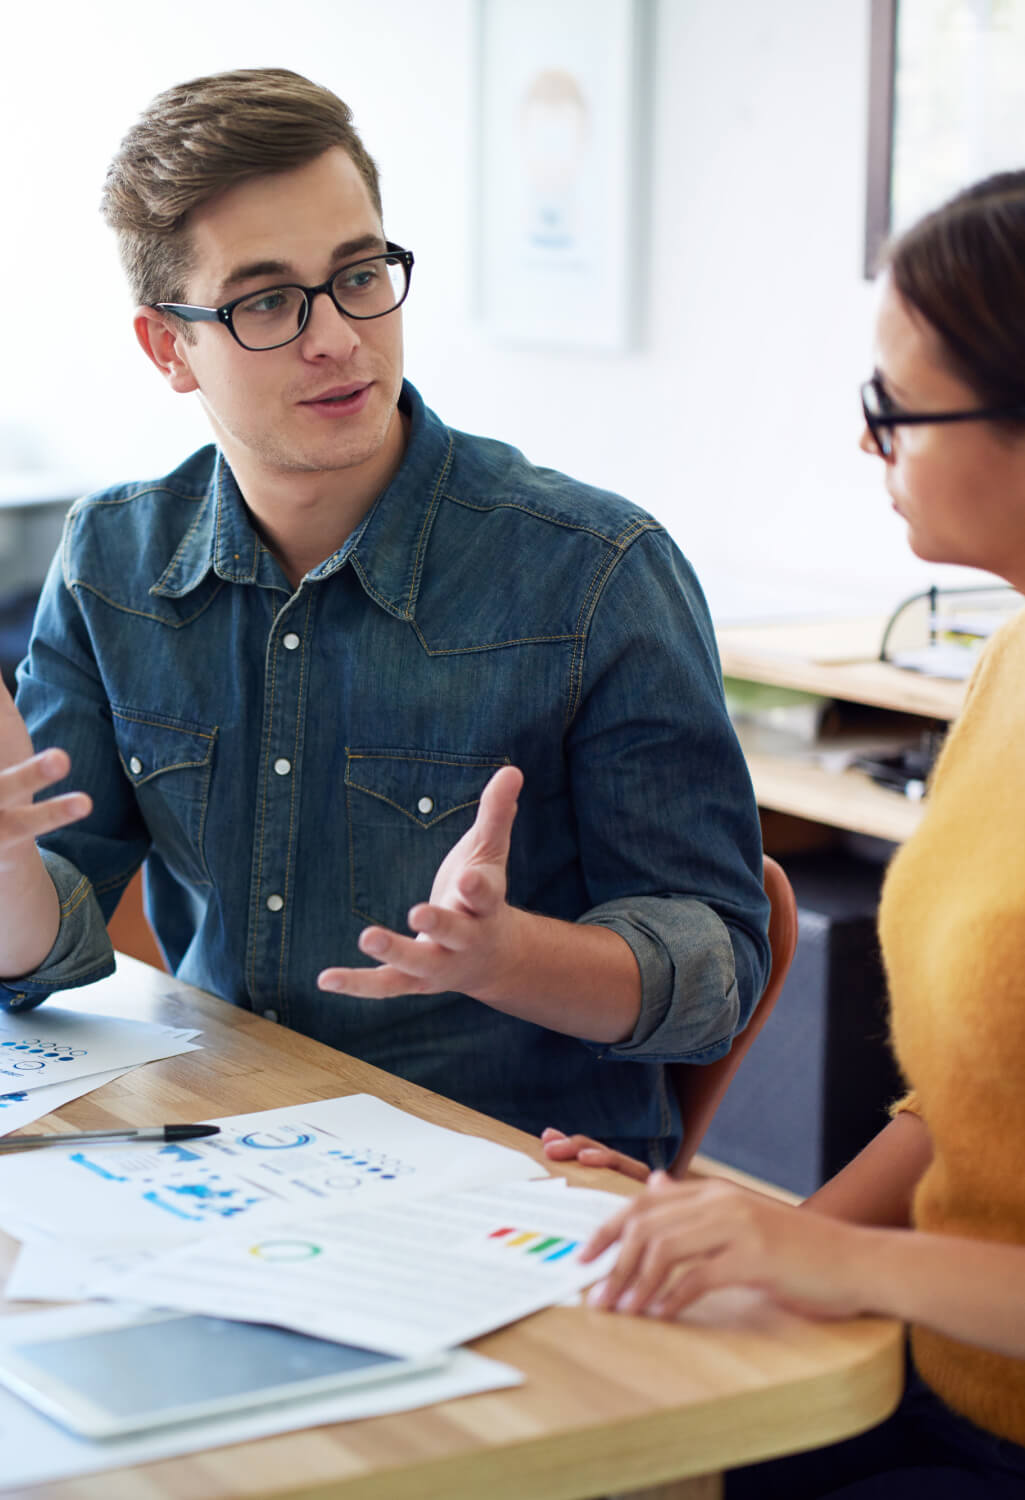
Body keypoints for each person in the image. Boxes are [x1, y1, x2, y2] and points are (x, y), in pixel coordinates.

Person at [0, 68, 770, 1168]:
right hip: (223, 1154)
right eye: (266, 301)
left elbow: (718, 978)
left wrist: (504, 957)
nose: (336, 339)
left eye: (359, 274)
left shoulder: (596, 573)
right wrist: (8, 871)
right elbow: (46, 956)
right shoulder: (115, 560)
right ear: (169, 348)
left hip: (510, 1180)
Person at [551, 170, 1025, 1497]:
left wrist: (831, 1260)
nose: (868, 448)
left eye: (893, 411)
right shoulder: (1003, 666)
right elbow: (973, 1107)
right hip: (931, 1377)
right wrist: (729, 1236)